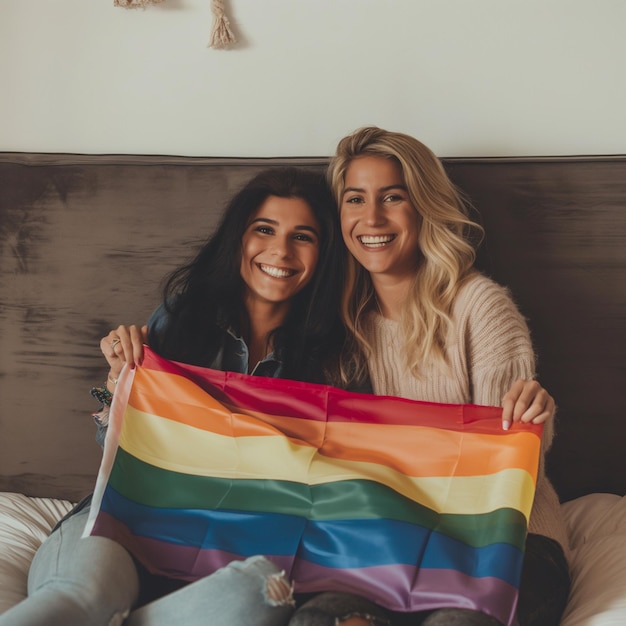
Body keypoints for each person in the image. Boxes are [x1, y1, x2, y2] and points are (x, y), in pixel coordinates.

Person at [0, 166, 349, 626]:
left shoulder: (333, 362)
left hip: (228, 548)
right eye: (264, 229)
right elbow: (122, 455)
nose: (280, 250)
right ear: (238, 239)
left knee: (262, 595)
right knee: (83, 600)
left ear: (323, 253)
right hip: (125, 523)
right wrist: (118, 384)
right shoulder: (181, 320)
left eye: (302, 236)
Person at [288, 127, 570, 626]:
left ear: (423, 206)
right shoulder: (334, 322)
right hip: (392, 541)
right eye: (356, 199)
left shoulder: (479, 307)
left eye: (392, 197)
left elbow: (515, 466)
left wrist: (530, 415)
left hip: (508, 542)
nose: (371, 218)